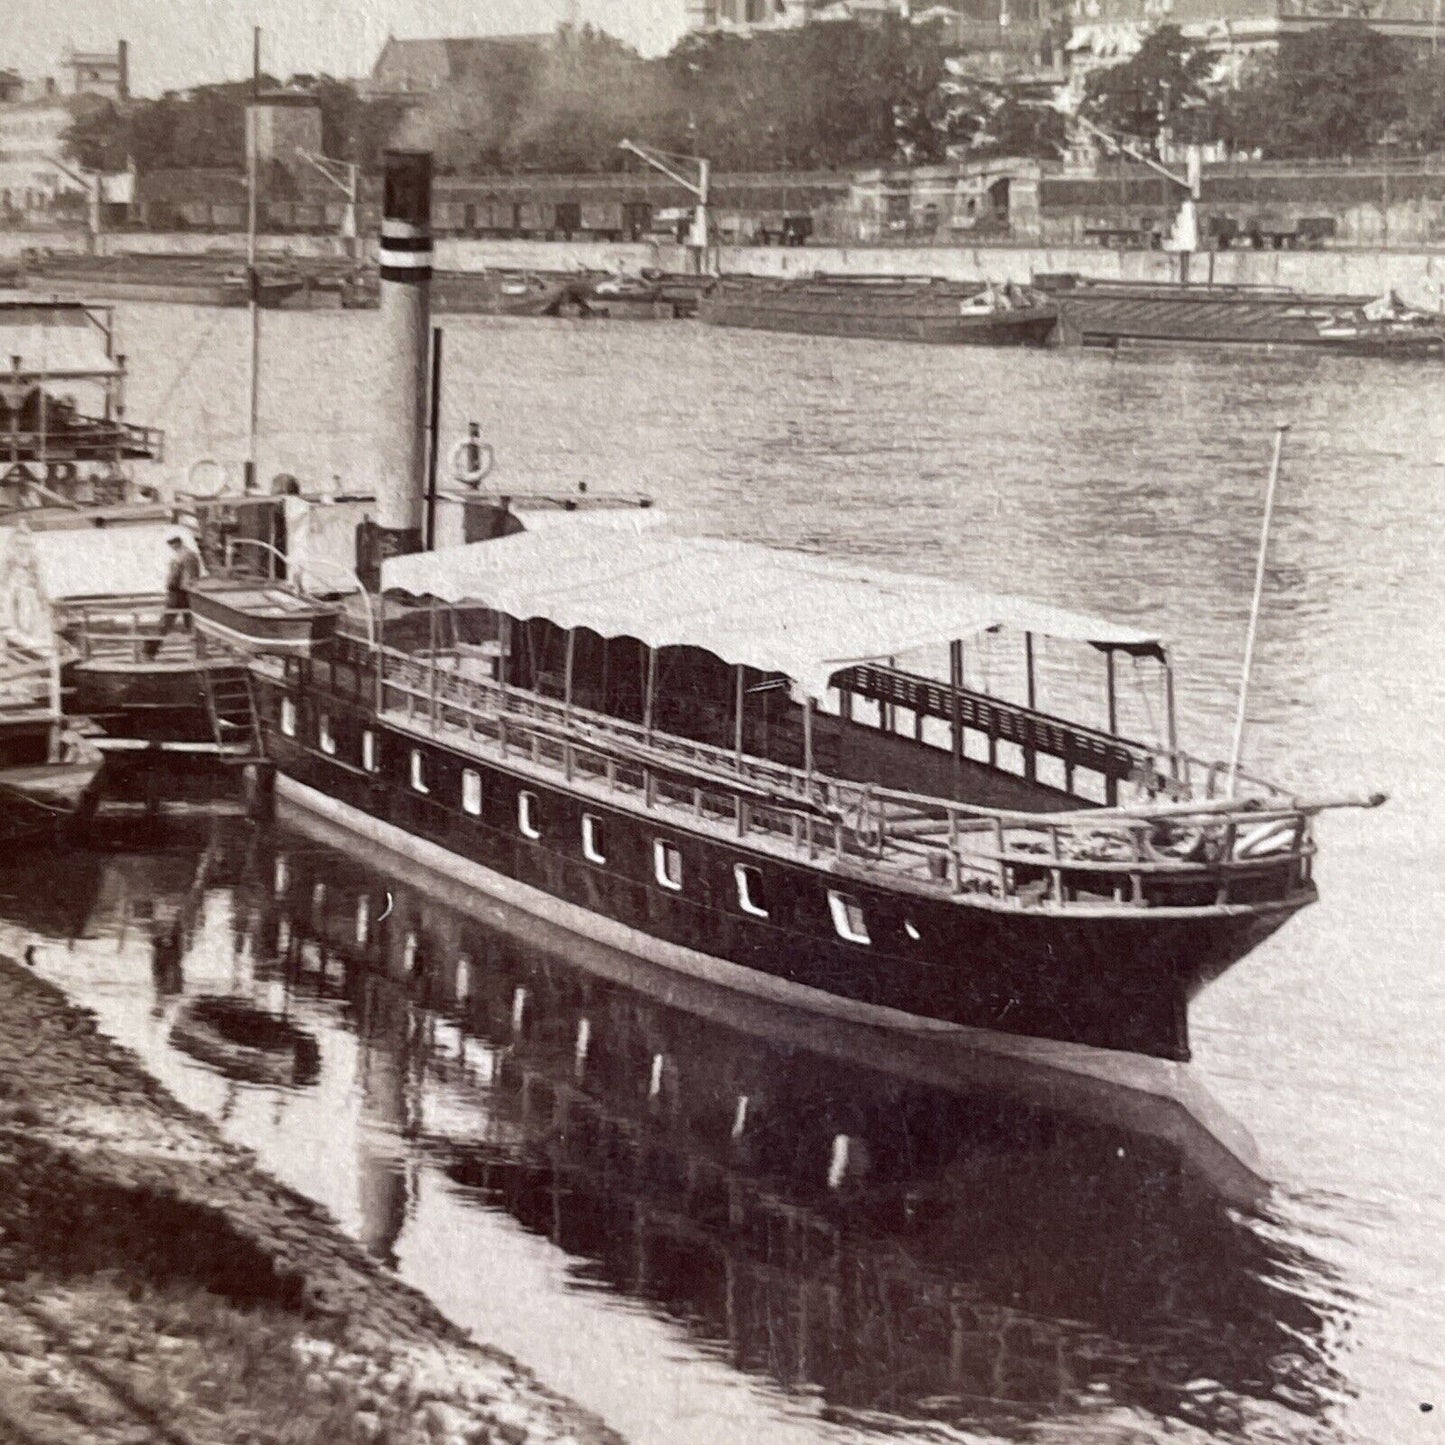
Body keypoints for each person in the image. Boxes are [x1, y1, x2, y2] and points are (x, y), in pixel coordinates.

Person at [144, 532, 201, 659]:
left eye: (172, 545)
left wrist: (168, 586)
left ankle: (150, 650)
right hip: (191, 593)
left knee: (165, 622)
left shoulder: (178, 557)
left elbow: (173, 578)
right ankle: (199, 651)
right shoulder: (193, 555)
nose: (172, 548)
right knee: (192, 623)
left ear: (176, 543)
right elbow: (197, 574)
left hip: (177, 593)